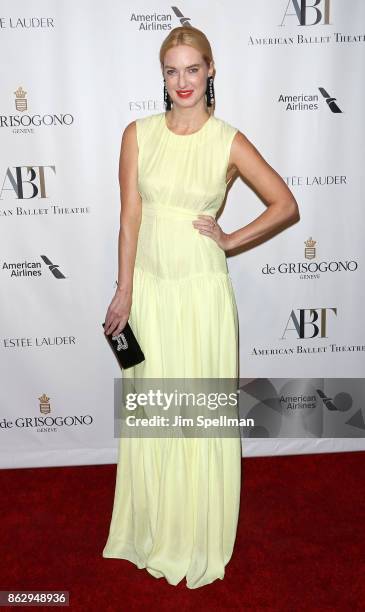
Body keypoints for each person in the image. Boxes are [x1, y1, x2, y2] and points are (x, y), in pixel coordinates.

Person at [102, 26, 300, 589]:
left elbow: (285, 203)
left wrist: (231, 239)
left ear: (210, 70)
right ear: (162, 76)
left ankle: (195, 536)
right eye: (172, 71)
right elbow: (129, 219)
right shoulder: (137, 134)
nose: (183, 81)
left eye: (193, 69)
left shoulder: (227, 140)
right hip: (150, 290)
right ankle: (151, 528)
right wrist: (123, 290)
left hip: (201, 293)